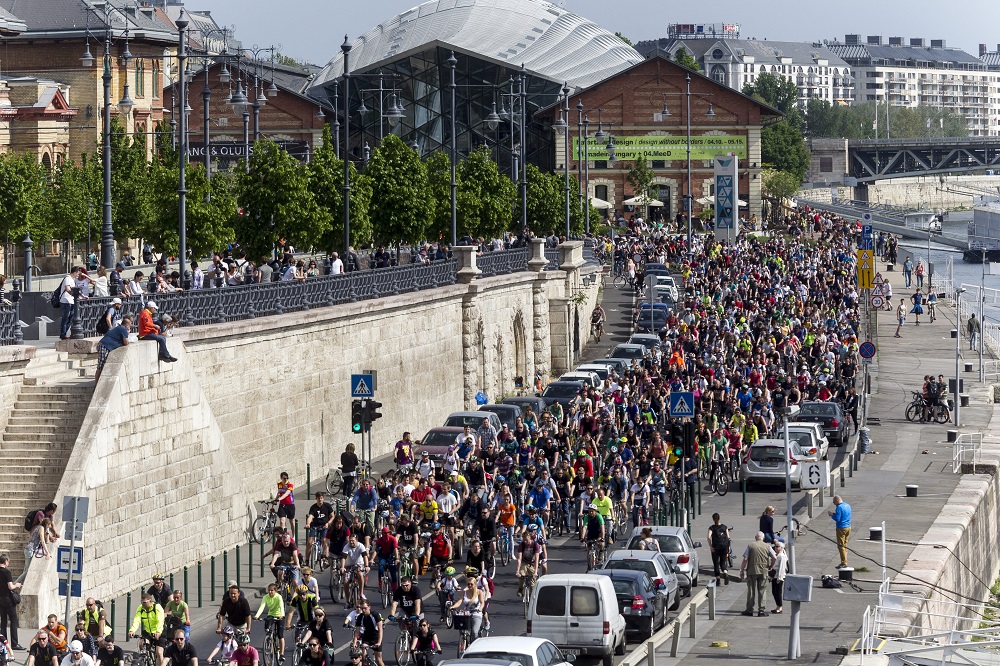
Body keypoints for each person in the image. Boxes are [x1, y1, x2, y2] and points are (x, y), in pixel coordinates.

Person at [739, 532, 774, 618]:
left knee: (751, 590)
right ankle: (761, 610)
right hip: (763, 571)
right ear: (763, 538)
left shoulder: (751, 546)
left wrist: (742, 570)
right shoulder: (767, 546)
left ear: (755, 537)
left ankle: (749, 610)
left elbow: (745, 559)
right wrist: (770, 566)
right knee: (762, 590)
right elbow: (774, 557)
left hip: (752, 571)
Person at [128, 594, 165, 663]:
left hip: (159, 632)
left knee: (159, 653)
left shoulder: (157, 607)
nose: (142, 604)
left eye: (144, 602)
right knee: (141, 644)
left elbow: (160, 621)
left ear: (150, 601)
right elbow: (137, 620)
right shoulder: (141, 608)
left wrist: (158, 632)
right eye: (141, 602)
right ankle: (148, 661)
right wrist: (132, 630)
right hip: (148, 632)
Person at [254, 584, 286, 661]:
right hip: (271, 615)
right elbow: (262, 606)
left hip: (279, 616)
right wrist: (257, 616)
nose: (270, 592)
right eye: (269, 590)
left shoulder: (278, 597)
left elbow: (281, 606)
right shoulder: (266, 597)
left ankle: (281, 654)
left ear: (275, 591)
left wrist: (282, 615)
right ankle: (269, 640)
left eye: (272, 590)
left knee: (280, 635)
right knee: (267, 629)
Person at [350, 601, 384, 666]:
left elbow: (380, 629)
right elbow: (357, 631)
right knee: (363, 656)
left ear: (369, 607)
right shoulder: (360, 616)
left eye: (365, 608)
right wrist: (354, 642)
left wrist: (379, 642)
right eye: (362, 608)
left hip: (375, 637)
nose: (363, 610)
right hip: (366, 637)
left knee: (379, 660)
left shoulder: (375, 615)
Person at [0, 555, 22, 649]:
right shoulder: (7, 572)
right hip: (8, 600)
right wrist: (16, 585)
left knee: (3, 622)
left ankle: (4, 642)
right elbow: (10, 586)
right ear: (5, 561)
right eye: (8, 561)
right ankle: (14, 643)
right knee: (13, 621)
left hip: (0, 599)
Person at [707, 513, 731, 585]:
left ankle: (718, 580)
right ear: (719, 518)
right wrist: (728, 547)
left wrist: (710, 546)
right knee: (723, 561)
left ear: (713, 519)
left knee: (716, 563)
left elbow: (708, 537)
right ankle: (725, 572)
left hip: (715, 548)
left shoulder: (711, 528)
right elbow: (728, 537)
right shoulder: (724, 527)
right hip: (724, 547)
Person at [829, 495, 852, 569]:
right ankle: (845, 560)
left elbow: (838, 519)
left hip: (841, 528)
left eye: (834, 502)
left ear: (837, 500)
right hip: (848, 527)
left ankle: (844, 562)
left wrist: (831, 515)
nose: (834, 504)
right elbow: (845, 515)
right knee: (845, 544)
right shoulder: (847, 505)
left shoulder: (839, 507)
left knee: (840, 545)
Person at [59, 266, 82, 340]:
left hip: (71, 301)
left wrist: (82, 296)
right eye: (78, 273)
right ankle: (63, 334)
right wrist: (74, 295)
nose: (79, 274)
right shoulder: (68, 278)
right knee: (65, 318)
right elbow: (68, 289)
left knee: (70, 318)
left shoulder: (73, 280)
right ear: (75, 272)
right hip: (66, 301)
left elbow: (75, 291)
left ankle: (65, 333)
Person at [770, 541, 788, 614]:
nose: (775, 547)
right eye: (775, 546)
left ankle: (779, 607)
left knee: (778, 592)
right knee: (774, 591)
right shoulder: (777, 555)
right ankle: (778, 606)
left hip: (778, 576)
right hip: (774, 575)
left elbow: (782, 568)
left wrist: (779, 578)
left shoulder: (782, 556)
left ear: (781, 548)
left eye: (777, 546)